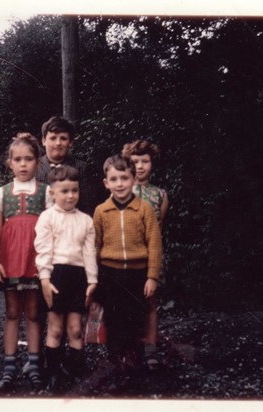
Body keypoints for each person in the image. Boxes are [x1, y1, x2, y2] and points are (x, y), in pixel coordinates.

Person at [93, 155, 162, 390]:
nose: (120, 183)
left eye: (124, 178)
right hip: (110, 273)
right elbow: (96, 245)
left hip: (137, 272)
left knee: (135, 316)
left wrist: (152, 276)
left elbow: (154, 243)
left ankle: (134, 361)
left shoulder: (144, 209)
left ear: (133, 180)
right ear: (106, 183)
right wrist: (94, 278)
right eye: (114, 179)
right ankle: (117, 361)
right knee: (114, 317)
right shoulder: (101, 211)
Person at [0, 133, 52, 392]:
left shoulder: (46, 191)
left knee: (34, 313)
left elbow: (52, 227)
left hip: (36, 260)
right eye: (18, 159)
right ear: (10, 163)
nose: (23, 164)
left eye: (29, 159)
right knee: (13, 312)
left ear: (38, 162)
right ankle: (9, 366)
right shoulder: (2, 193)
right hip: (11, 259)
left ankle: (34, 365)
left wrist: (47, 263)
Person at [34, 165, 98, 392]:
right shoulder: (46, 217)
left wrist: (92, 281)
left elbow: (90, 253)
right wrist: (44, 278)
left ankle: (75, 371)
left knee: (75, 330)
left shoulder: (86, 220)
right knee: (55, 329)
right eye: (65, 191)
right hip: (55, 276)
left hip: (79, 277)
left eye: (74, 190)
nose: (71, 196)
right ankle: (52, 374)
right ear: (52, 193)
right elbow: (43, 250)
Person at [122, 140, 169, 371]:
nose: (140, 166)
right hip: (127, 256)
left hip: (150, 257)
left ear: (152, 163)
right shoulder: (122, 190)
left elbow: (158, 229)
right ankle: (129, 349)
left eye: (145, 161)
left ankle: (151, 349)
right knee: (128, 303)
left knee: (150, 304)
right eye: (135, 161)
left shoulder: (160, 194)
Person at [35, 116, 92, 215]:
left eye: (63, 138)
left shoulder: (81, 168)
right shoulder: (34, 168)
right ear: (43, 141)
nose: (58, 143)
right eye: (53, 138)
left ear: (70, 142)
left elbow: (87, 207)